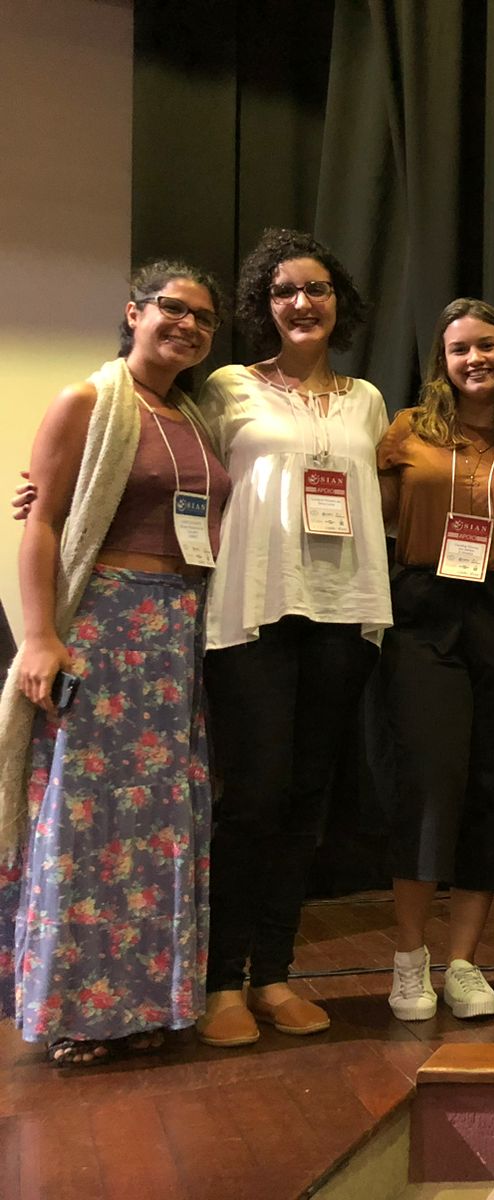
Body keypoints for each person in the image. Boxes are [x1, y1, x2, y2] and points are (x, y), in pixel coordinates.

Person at [0, 262, 229, 1065]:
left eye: (204, 318)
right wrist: (38, 636)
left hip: (177, 634)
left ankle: (148, 1004)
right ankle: (79, 1011)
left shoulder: (196, 417)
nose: (189, 325)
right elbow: (41, 524)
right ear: (134, 313)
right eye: (174, 308)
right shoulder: (88, 400)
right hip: (103, 628)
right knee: (88, 816)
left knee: (160, 822)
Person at [195, 229, 392, 1048]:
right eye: (285, 291)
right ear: (263, 305)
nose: (302, 303)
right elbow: (183, 476)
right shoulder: (229, 387)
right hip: (253, 610)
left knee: (307, 803)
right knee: (253, 800)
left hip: (343, 614)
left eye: (317, 289)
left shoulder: (368, 400)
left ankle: (274, 976)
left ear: (339, 301)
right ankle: (221, 984)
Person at [377, 298, 494, 1022]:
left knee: (493, 780)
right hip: (423, 608)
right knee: (428, 778)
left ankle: (463, 963)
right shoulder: (408, 429)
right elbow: (377, 517)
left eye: (487, 345)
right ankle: (408, 959)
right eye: (459, 349)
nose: (475, 359)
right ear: (442, 362)